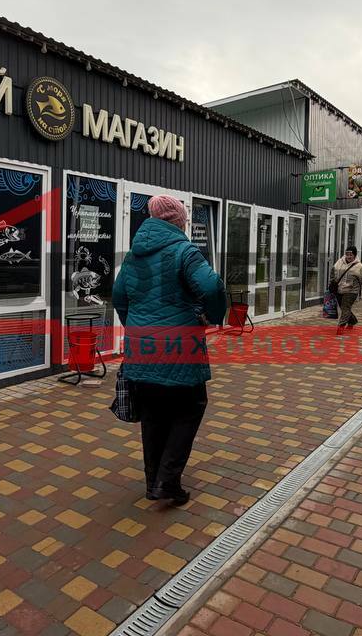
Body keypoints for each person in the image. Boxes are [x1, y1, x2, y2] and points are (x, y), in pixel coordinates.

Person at [113, 194, 227, 506]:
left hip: (142, 350)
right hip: (181, 350)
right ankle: (167, 481)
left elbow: (119, 297)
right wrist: (212, 316)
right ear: (178, 222)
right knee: (190, 408)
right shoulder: (184, 251)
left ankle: (154, 482)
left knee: (153, 416)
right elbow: (212, 286)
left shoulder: (134, 256)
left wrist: (136, 328)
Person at [330, 246, 362, 330]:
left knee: (345, 307)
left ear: (355, 255)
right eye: (347, 254)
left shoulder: (359, 266)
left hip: (352, 291)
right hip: (339, 289)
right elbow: (333, 273)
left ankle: (341, 326)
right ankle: (352, 321)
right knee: (344, 308)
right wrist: (331, 283)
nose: (348, 256)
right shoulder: (339, 262)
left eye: (351, 255)